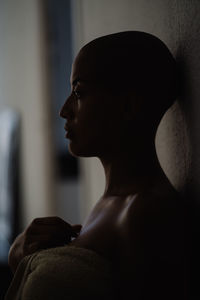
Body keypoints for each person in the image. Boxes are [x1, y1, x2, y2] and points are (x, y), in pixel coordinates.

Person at [5, 31, 185, 299]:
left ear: (129, 105)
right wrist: (18, 253)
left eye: (79, 92)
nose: (64, 110)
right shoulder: (110, 204)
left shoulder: (145, 213)